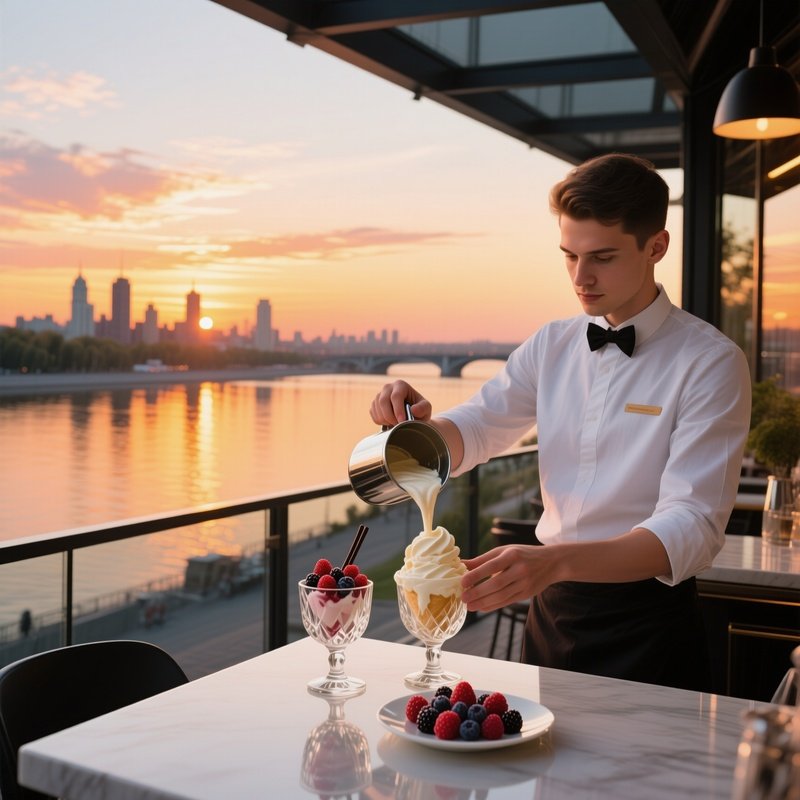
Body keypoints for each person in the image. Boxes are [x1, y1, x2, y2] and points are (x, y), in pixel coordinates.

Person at [370, 153, 751, 691]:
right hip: (551, 613)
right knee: (544, 772)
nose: (580, 277)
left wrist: (553, 562)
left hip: (650, 620)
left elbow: (691, 525)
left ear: (656, 248)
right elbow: (481, 424)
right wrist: (419, 430)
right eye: (568, 255)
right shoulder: (552, 345)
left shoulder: (710, 361)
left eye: (602, 257)